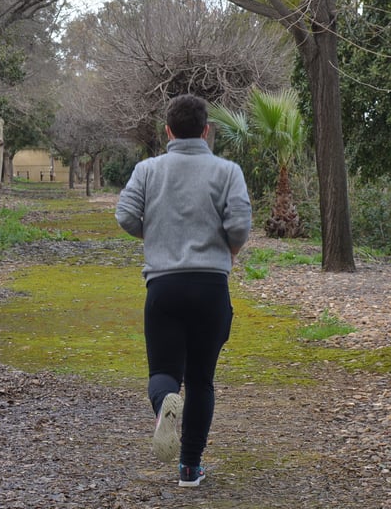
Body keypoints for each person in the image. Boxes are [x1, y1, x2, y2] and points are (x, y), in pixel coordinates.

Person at [114, 93, 252, 488]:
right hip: (211, 286)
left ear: (168, 131)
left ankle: (164, 410)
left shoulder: (147, 170)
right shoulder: (227, 171)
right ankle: (190, 467)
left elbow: (125, 215)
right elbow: (240, 226)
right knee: (202, 379)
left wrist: (155, 235)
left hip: (164, 285)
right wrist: (228, 249)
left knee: (163, 372)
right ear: (206, 131)